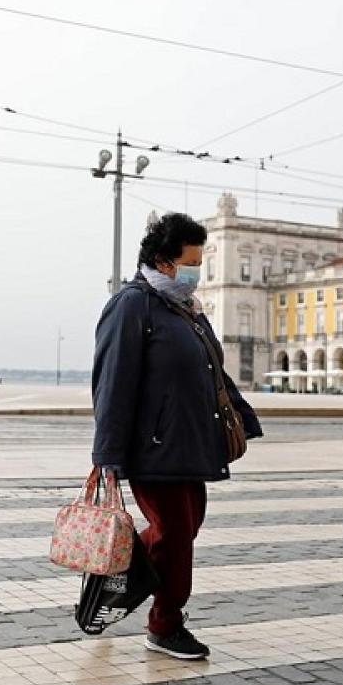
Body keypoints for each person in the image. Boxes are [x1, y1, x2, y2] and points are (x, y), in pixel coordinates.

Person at [91, 212, 262, 661]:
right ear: (165, 262)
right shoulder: (133, 305)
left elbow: (213, 371)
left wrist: (243, 415)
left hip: (193, 444)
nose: (197, 269)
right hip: (155, 449)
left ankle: (122, 578)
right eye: (192, 260)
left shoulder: (186, 309)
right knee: (177, 537)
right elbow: (113, 380)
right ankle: (165, 625)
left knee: (183, 531)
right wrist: (107, 453)